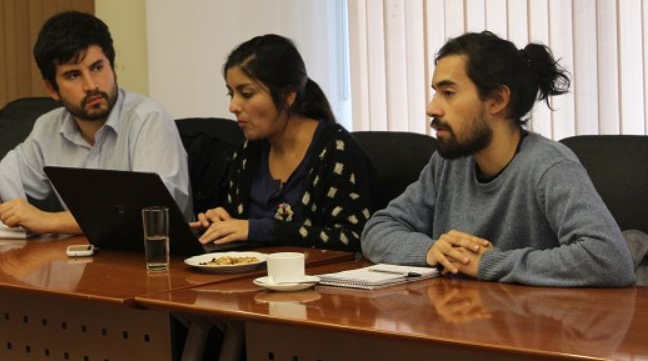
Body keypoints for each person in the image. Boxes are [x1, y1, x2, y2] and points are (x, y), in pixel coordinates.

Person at [362, 31, 635, 287]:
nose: (432, 107)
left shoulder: (549, 167)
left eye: (448, 93)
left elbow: (609, 259)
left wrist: (488, 263)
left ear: (496, 100)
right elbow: (377, 229)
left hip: (541, 329)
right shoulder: (448, 163)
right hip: (467, 320)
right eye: (435, 92)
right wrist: (431, 250)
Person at [0, 11, 190, 233]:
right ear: (52, 88)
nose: (91, 85)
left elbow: (151, 210)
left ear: (113, 67)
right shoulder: (48, 128)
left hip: (158, 264)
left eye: (97, 68)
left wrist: (49, 220)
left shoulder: (148, 118)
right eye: (73, 75)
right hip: (87, 264)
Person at [194, 34, 375, 251]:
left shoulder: (335, 149)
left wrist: (262, 229)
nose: (233, 106)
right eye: (231, 93)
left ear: (288, 96)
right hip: (252, 279)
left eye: (246, 94)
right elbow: (242, 228)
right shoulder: (246, 153)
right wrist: (220, 222)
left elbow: (354, 237)